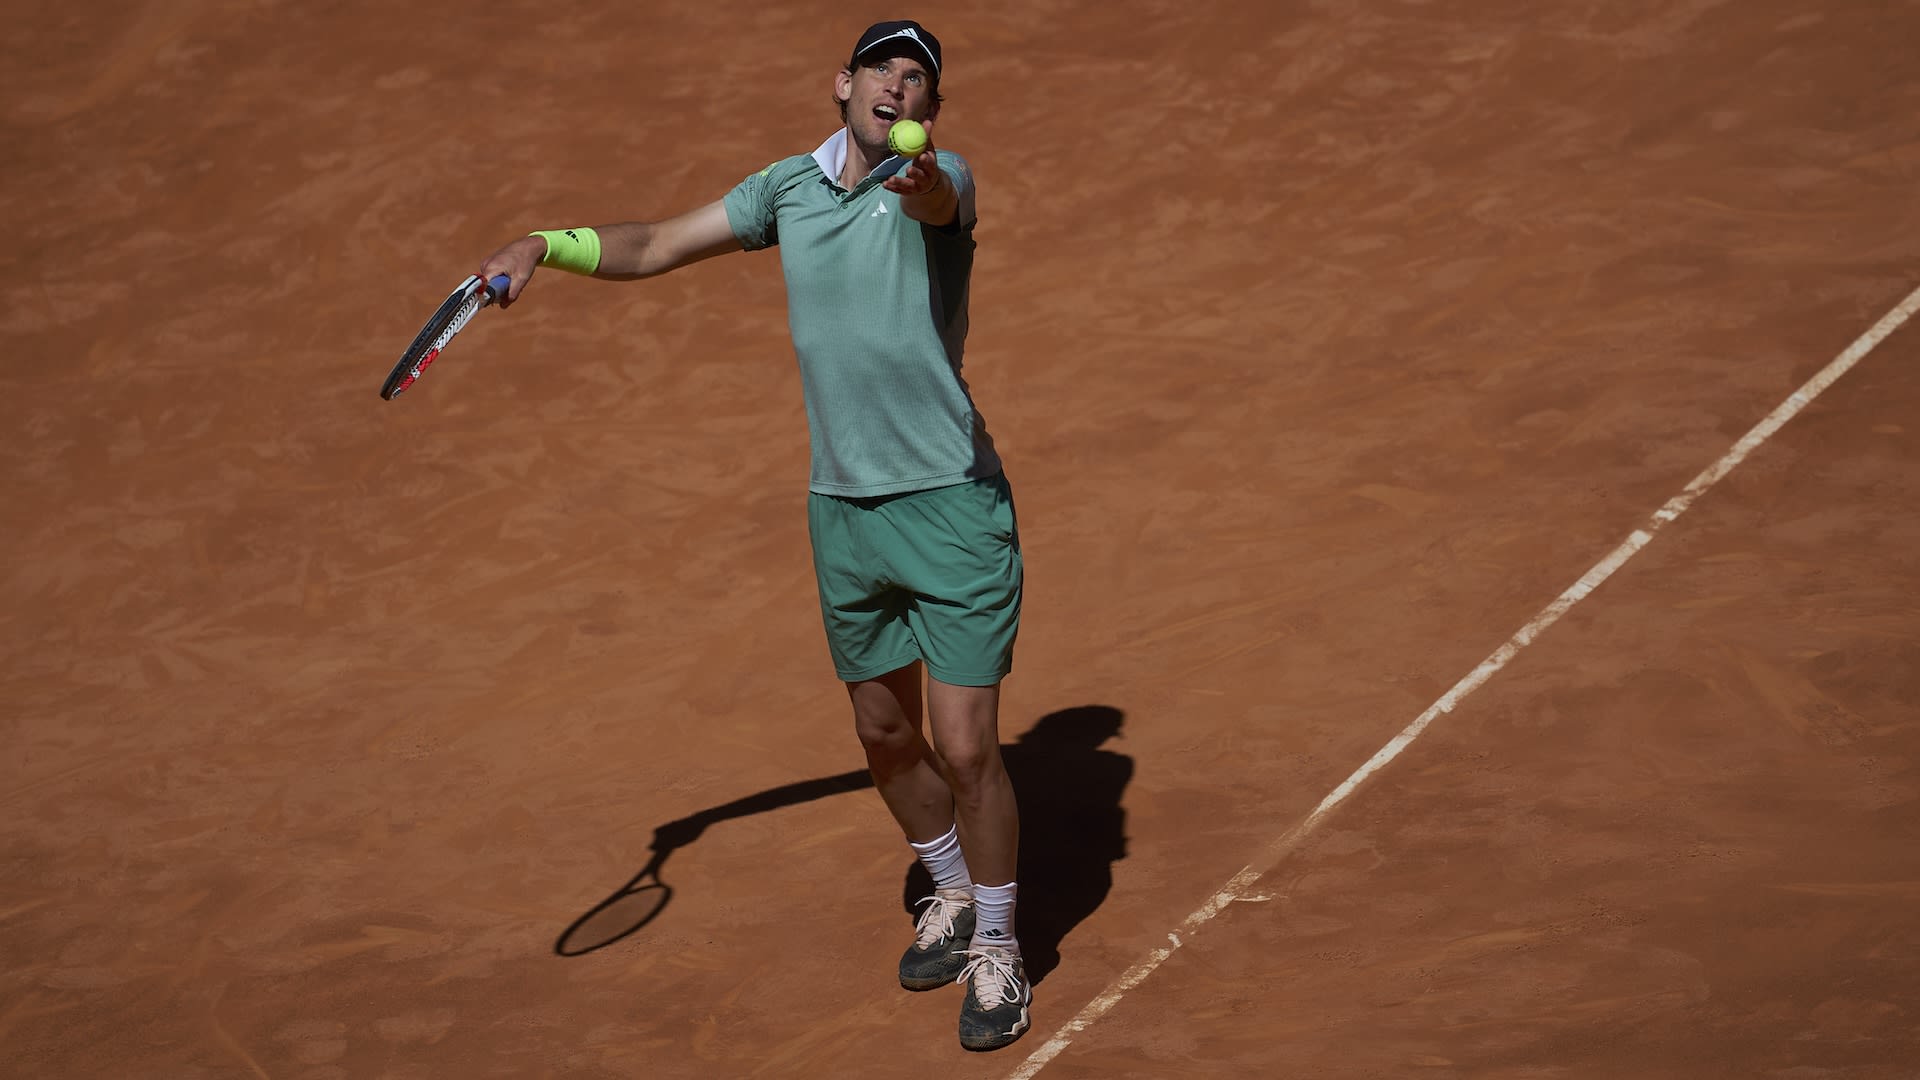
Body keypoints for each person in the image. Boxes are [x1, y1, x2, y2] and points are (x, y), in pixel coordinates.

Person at [475, 19, 1030, 1053]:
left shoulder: (941, 181)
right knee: (883, 735)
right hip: (844, 511)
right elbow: (656, 244)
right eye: (883, 69)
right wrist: (543, 244)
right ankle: (951, 890)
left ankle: (999, 943)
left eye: (919, 79)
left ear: (930, 110)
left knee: (965, 745)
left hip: (952, 505)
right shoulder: (786, 190)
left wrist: (921, 183)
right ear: (842, 85)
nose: (900, 87)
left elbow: (938, 197)